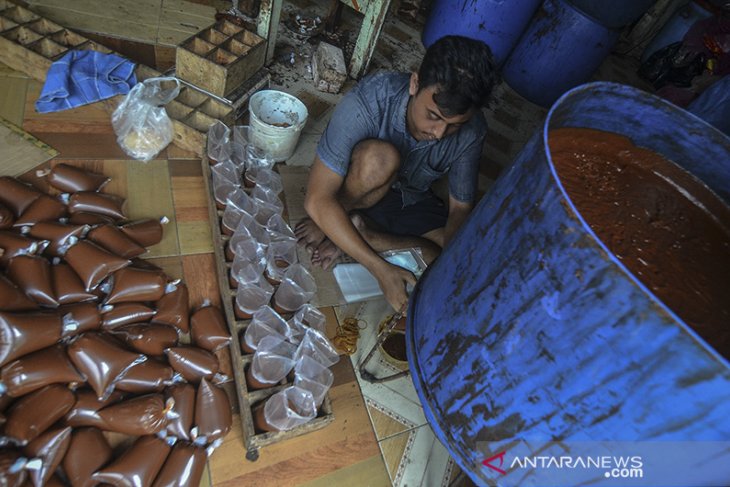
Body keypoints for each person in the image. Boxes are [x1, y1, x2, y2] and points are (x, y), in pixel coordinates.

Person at [295, 35, 499, 312]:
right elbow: (316, 199)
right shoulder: (370, 99)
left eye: (455, 125)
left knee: (453, 258)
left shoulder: (473, 131)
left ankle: (361, 234)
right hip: (358, 185)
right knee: (380, 160)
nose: (439, 134)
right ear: (415, 83)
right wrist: (380, 270)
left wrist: (451, 267)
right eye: (434, 116)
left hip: (410, 198)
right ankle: (339, 218)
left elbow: (460, 211)